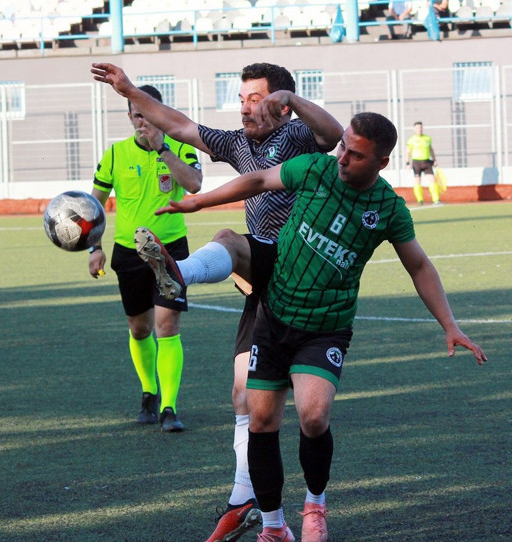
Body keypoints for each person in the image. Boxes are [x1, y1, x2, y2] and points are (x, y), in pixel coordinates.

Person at [143, 112, 487, 541]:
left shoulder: (388, 209)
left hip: (326, 327)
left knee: (314, 415)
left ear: (381, 162)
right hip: (275, 315)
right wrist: (197, 201)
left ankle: (315, 507)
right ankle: (273, 527)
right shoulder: (315, 168)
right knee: (261, 422)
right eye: (342, 145)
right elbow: (256, 181)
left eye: (355, 154)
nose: (342, 158)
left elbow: (418, 265)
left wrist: (449, 324)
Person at [91, 62, 343, 541]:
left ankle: (311, 505)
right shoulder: (236, 142)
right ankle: (248, 502)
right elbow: (179, 124)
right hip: (262, 283)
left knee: (311, 415)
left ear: (280, 102)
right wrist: (127, 91)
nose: (244, 105)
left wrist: (293, 98)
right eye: (242, 96)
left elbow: (331, 133)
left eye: (255, 97)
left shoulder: (297, 139)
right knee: (241, 395)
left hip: (303, 277)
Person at [87, 85, 202, 433]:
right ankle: (148, 392)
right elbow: (93, 206)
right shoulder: (115, 154)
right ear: (129, 116)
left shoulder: (180, 147)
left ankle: (169, 406)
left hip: (169, 249)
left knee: (168, 326)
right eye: (137, 115)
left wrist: (163, 149)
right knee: (140, 329)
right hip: (127, 252)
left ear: (159, 113)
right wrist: (95, 248)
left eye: (149, 114)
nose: (143, 122)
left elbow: (195, 184)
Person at [405, 121, 441, 205]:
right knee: (417, 181)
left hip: (427, 162)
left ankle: (436, 200)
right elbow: (407, 152)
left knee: (432, 180)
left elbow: (431, 150)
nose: (419, 129)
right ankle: (420, 200)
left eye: (420, 127)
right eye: (417, 128)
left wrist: (434, 160)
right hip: (416, 162)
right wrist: (407, 163)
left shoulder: (427, 138)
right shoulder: (411, 140)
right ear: (414, 129)